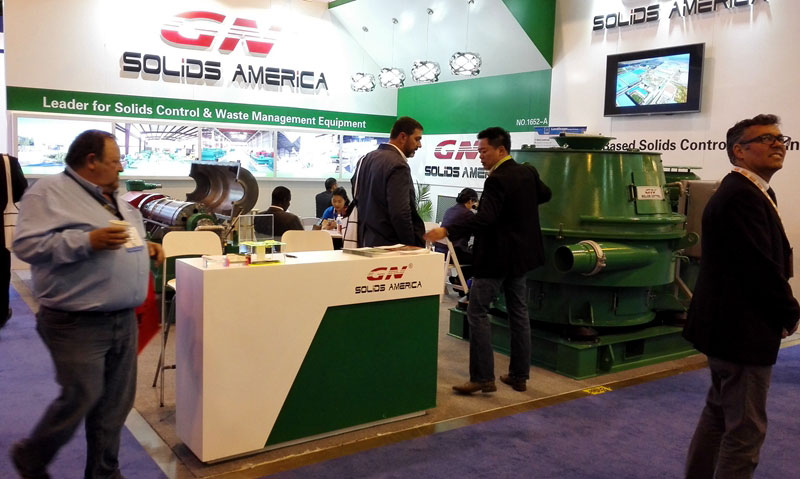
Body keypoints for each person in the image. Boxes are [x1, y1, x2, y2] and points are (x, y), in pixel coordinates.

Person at [10, 129, 164, 479]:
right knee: (82, 395)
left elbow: (124, 239)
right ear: (91, 161)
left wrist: (146, 249)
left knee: (115, 405)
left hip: (124, 318)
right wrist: (86, 241)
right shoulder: (48, 192)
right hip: (76, 321)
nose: (121, 167)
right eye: (115, 161)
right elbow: (27, 246)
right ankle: (32, 456)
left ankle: (104, 472)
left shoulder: (115, 197)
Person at [683, 114, 799, 479]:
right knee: (745, 430)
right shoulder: (740, 196)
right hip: (741, 332)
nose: (777, 144)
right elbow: (759, 267)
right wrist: (789, 310)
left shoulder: (753, 191)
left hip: (729, 328)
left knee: (719, 413)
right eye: (765, 138)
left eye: (780, 138)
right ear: (739, 151)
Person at [425, 127, 551, 395]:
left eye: (483, 151)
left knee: (477, 311)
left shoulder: (497, 180)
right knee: (519, 313)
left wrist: (447, 230)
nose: (480, 156)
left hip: (496, 257)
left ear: (501, 150)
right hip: (521, 257)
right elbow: (545, 195)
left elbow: (485, 219)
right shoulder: (527, 172)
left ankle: (483, 377)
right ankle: (519, 376)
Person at [351, 116, 425, 247]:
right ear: (403, 137)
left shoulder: (365, 159)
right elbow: (400, 213)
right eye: (417, 139)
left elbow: (357, 196)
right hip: (391, 247)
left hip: (365, 242)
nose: (419, 145)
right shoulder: (398, 165)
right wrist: (410, 246)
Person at [0, 153, 27, 330]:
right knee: (2, 271)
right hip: (2, 228)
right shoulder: (8, 162)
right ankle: (1, 314)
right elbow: (21, 191)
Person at [436, 187, 479, 283]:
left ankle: (459, 281)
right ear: (471, 201)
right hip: (452, 254)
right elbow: (478, 231)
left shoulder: (449, 210)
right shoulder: (468, 214)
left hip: (439, 251)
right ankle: (460, 280)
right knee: (482, 258)